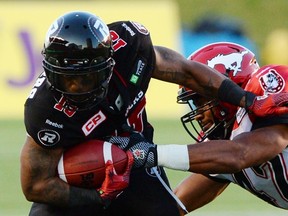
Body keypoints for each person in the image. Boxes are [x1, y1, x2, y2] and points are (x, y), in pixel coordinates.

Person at [20, 10, 288, 216]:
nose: (76, 88)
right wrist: (100, 199)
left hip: (136, 152)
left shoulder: (268, 96)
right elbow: (180, 202)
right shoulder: (44, 111)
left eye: (200, 102)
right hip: (98, 163)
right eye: (67, 79)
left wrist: (246, 99)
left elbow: (238, 154)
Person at [109, 43, 288, 214]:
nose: (197, 114)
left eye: (201, 101)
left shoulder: (267, 89)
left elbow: (240, 154)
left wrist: (150, 154)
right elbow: (173, 206)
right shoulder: (222, 145)